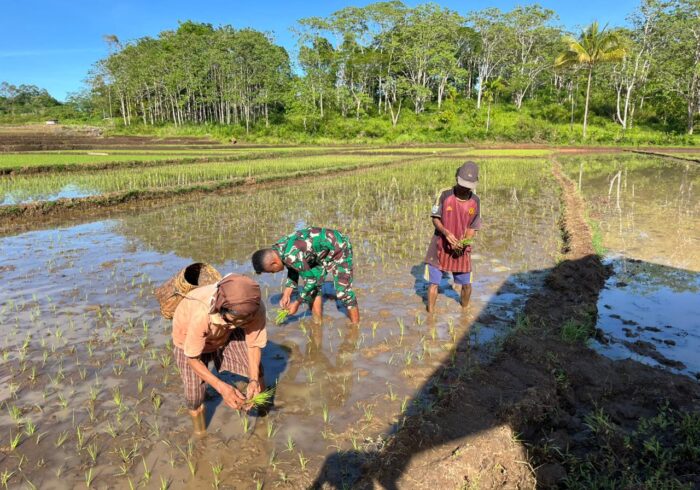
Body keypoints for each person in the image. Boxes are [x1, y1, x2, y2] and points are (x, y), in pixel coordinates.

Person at [172, 273, 267, 435]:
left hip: (225, 334)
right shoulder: (202, 312)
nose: (241, 324)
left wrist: (253, 379)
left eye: (245, 321)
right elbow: (192, 359)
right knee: (194, 397)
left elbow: (254, 344)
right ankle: (200, 434)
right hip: (189, 340)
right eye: (236, 320)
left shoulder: (253, 308)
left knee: (258, 372)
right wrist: (222, 388)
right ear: (221, 308)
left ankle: (263, 413)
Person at [251, 227, 360, 324]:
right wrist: (286, 294)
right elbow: (293, 268)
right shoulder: (277, 249)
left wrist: (296, 303)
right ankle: (317, 323)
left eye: (272, 271)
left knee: (343, 293)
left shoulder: (290, 255)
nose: (274, 273)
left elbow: (310, 281)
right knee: (314, 289)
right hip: (319, 253)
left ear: (273, 263)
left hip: (339, 247)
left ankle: (355, 327)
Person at [424, 161, 482, 313]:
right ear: (456, 178)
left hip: (461, 247)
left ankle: (465, 313)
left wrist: (464, 242)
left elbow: (473, 227)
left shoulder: (475, 201)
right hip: (440, 245)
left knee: (467, 285)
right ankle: (430, 315)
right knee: (433, 284)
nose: (464, 188)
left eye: (468, 186)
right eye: (462, 184)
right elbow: (435, 218)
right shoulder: (445, 194)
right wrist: (446, 233)